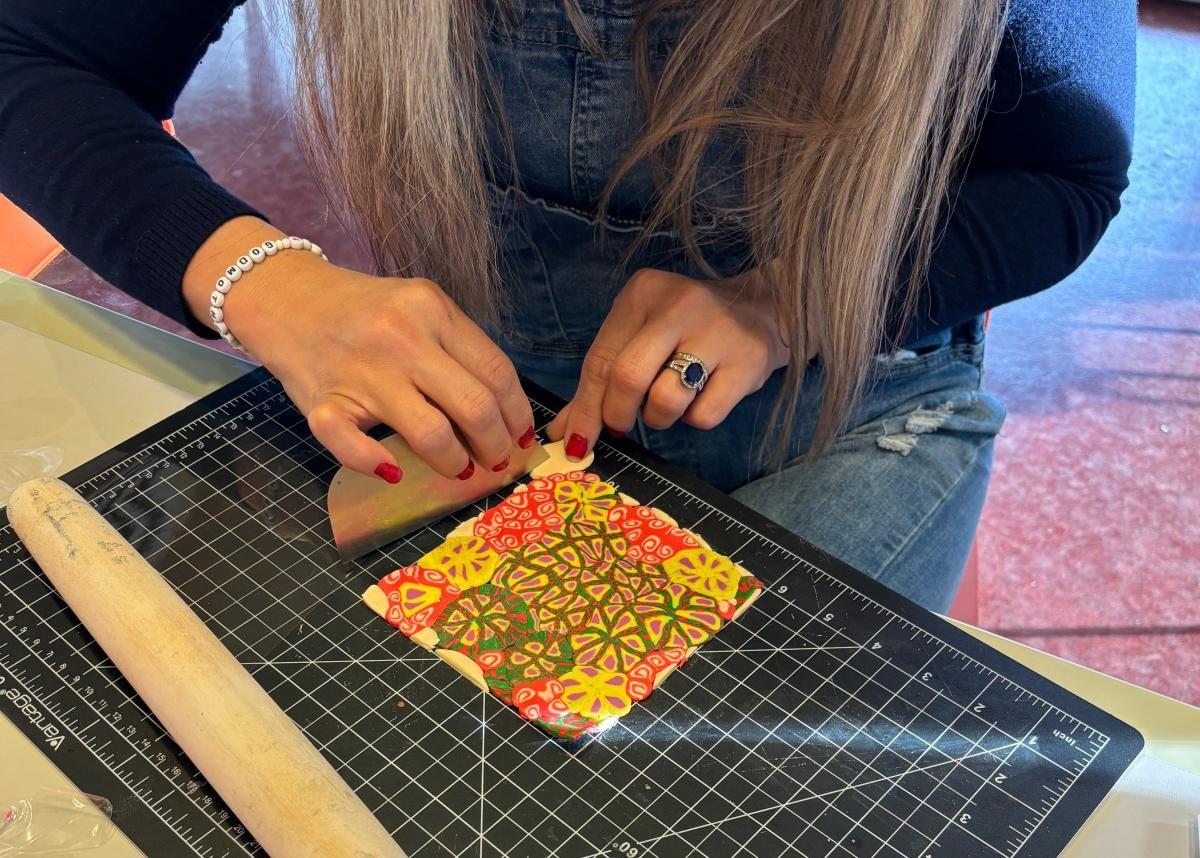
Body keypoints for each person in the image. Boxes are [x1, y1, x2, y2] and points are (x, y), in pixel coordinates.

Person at [0, 1, 1134, 610]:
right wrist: (269, 282)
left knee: (712, 792)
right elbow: (32, 59)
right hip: (492, 382)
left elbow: (1066, 177)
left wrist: (787, 301)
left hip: (850, 398)